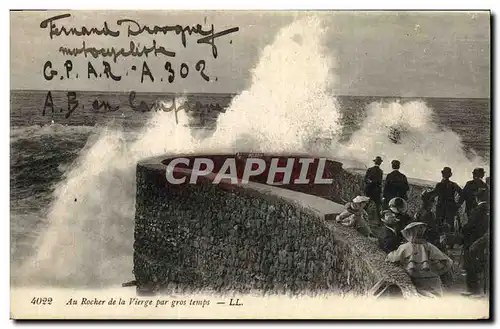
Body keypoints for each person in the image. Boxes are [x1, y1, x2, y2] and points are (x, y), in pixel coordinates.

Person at [386, 222, 453, 297]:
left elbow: (392, 258)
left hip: (416, 281)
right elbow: (447, 261)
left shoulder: (404, 247)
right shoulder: (430, 246)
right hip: (433, 281)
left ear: (409, 233)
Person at [462, 188, 490, 296]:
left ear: (477, 197)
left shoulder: (477, 209)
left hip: (473, 240)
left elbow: (470, 226)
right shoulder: (489, 208)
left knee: (470, 263)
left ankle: (472, 290)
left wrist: (462, 229)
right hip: (483, 239)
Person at [432, 167, 462, 233]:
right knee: (448, 225)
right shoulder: (453, 184)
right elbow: (462, 194)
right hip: (448, 207)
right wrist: (458, 204)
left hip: (443, 207)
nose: (444, 174)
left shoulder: (440, 185)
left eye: (445, 173)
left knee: (441, 225)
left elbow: (433, 194)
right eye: (444, 173)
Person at [364, 156, 384, 222]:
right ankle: (379, 221)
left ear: (374, 162)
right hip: (376, 192)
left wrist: (369, 182)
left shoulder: (369, 169)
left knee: (366, 205)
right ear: (380, 163)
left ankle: (362, 217)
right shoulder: (380, 171)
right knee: (378, 207)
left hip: (369, 190)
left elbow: (365, 179)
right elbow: (380, 182)